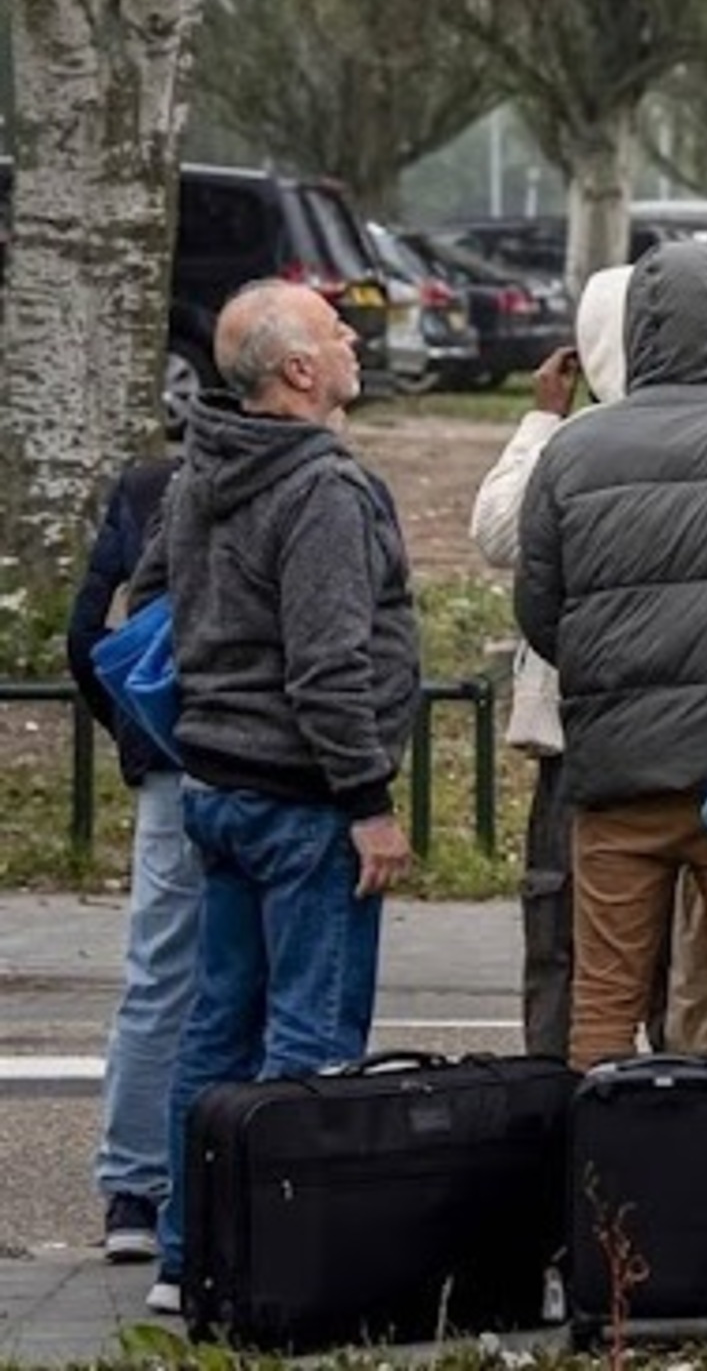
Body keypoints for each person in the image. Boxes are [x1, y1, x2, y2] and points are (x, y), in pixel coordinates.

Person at [515, 243, 707, 1231]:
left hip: (613, 782)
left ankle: (605, 1223)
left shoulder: (576, 451)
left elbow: (540, 610)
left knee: (603, 1005)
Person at [146, 282, 422, 1315]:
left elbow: (147, 601)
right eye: (334, 331)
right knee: (311, 1040)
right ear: (300, 370)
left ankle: (189, 1255)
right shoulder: (323, 489)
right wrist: (369, 801)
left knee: (215, 1034)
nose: (352, 339)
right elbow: (327, 665)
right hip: (305, 800)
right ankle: (284, 1267)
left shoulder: (200, 469)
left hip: (214, 784)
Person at [475, 265, 632, 1063]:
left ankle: (565, 1121)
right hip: (704, 731)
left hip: (583, 736)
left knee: (567, 938)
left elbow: (499, 534)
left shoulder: (574, 447)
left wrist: (540, 421)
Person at [66, 426, 183, 1267]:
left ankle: (133, 1190)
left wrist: (136, 727)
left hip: (168, 756)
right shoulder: (325, 479)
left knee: (158, 972)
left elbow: (86, 633)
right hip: (262, 759)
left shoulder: (147, 487)